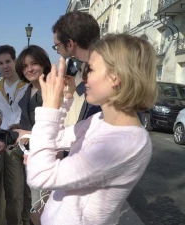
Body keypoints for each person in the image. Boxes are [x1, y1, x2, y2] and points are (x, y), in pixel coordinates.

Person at [26, 34, 157, 224]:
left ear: (115, 77)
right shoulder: (99, 119)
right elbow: (58, 137)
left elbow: (40, 175)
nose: (84, 77)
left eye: (90, 69)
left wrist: (49, 108)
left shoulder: (127, 143)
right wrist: (64, 101)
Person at [0, 45, 29, 225]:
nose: (5, 66)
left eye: (8, 61)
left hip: (28, 140)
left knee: (30, 189)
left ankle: (27, 221)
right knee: (13, 192)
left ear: (15, 61)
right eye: (1, 63)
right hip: (9, 144)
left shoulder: (27, 84)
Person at [12, 45, 53, 225]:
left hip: (48, 157)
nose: (29, 69)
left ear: (44, 64)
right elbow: (29, 121)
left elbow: (56, 126)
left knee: (43, 206)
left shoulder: (51, 89)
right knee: (35, 202)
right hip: (31, 156)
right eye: (25, 66)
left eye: (34, 63)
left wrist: (28, 133)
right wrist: (18, 127)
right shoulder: (28, 90)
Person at [51, 11, 101, 127]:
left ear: (69, 44)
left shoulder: (102, 77)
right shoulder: (73, 66)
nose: (57, 51)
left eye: (57, 46)